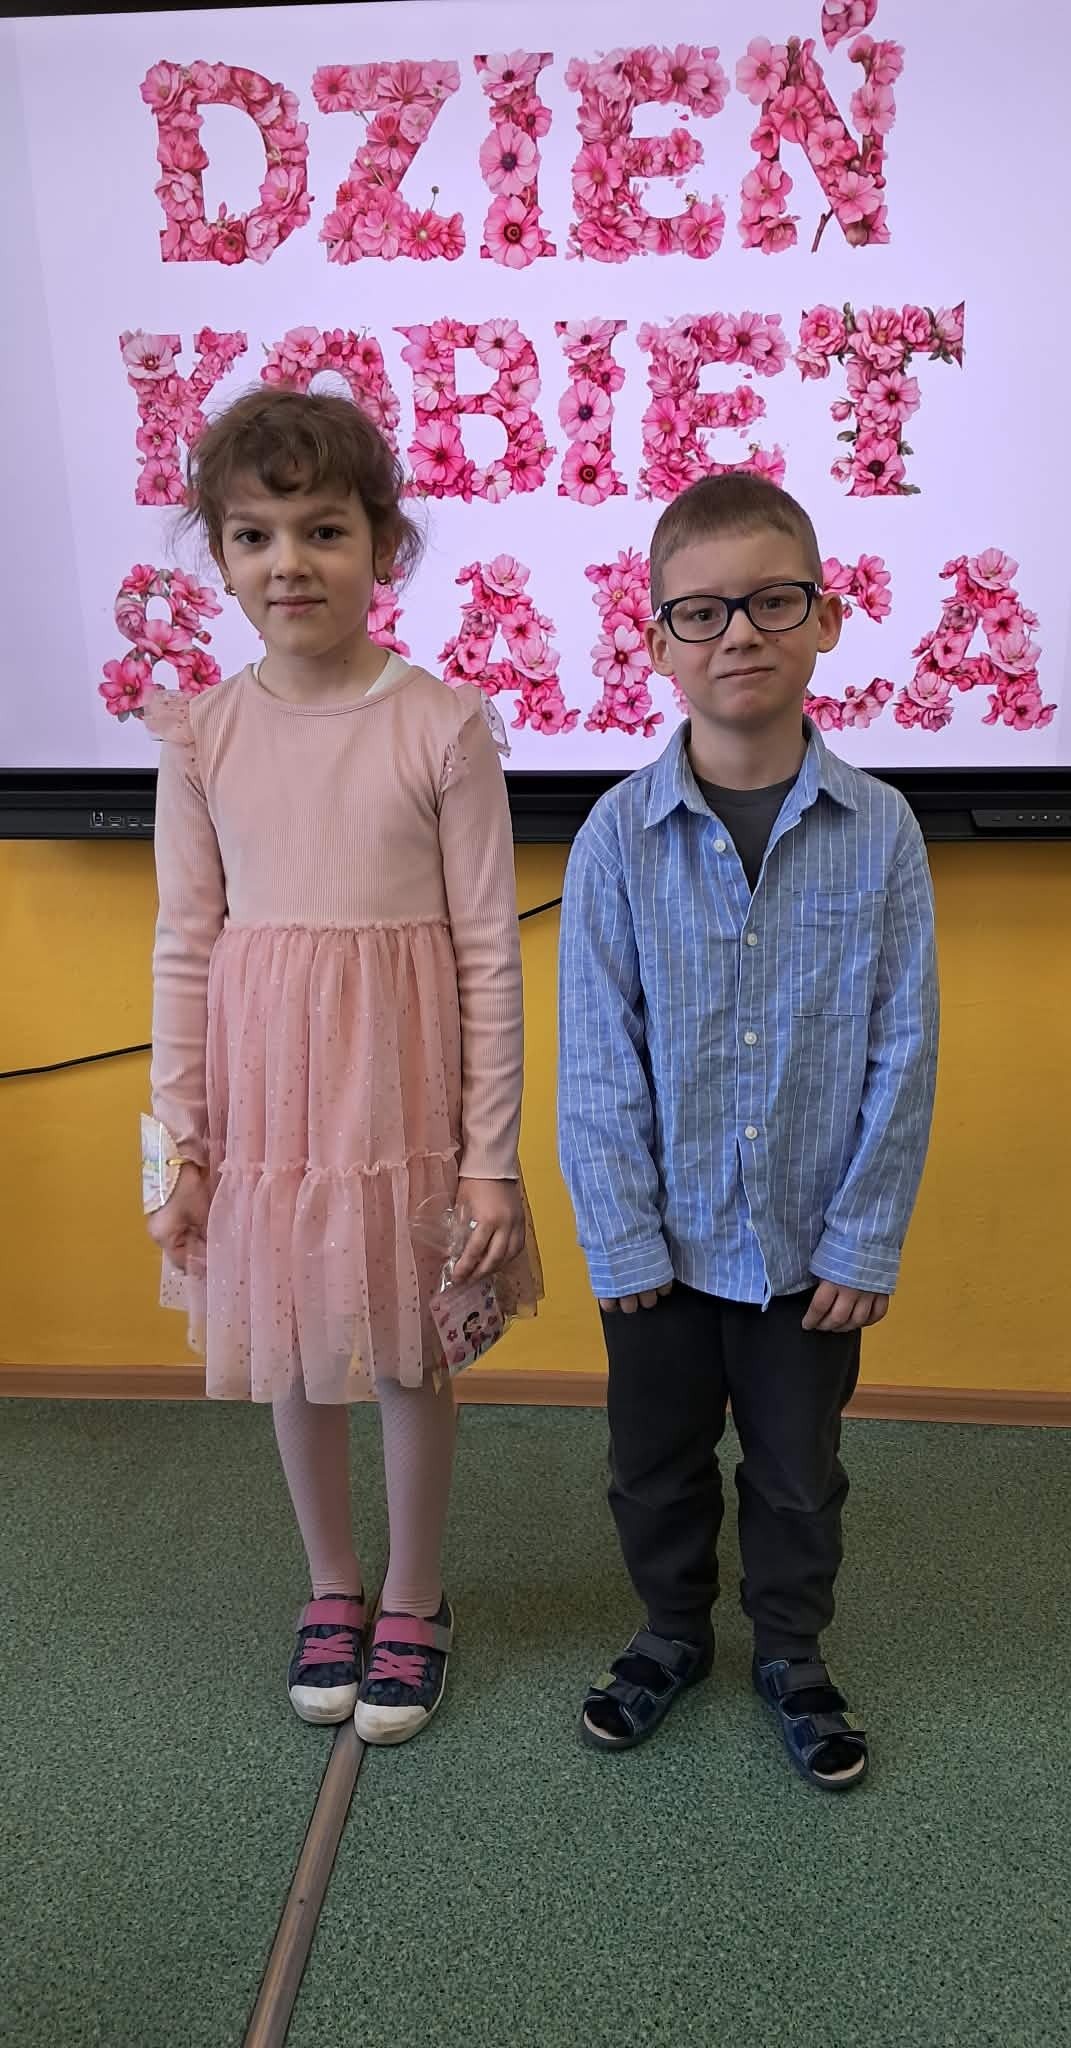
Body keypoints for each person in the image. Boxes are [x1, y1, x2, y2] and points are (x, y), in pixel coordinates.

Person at [143, 387, 539, 1744]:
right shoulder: (202, 735)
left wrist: (489, 1161)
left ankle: (416, 1598)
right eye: (254, 536)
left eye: (324, 529)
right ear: (221, 557)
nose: (290, 563)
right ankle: (333, 1586)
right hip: (270, 1112)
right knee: (298, 1351)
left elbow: (489, 953)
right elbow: (183, 947)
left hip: (402, 1102)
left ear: (384, 545)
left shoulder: (443, 724)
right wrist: (176, 1152)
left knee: (411, 1354)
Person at [558, 471, 938, 1789]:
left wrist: (865, 1238)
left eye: (774, 602)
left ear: (825, 618)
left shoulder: (881, 832)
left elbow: (905, 1048)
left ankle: (791, 1648)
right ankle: (671, 1630)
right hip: (659, 1252)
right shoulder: (615, 837)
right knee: (652, 1465)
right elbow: (596, 1058)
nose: (739, 634)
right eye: (703, 611)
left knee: (796, 1472)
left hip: (808, 1255)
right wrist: (619, 1234)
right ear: (657, 641)